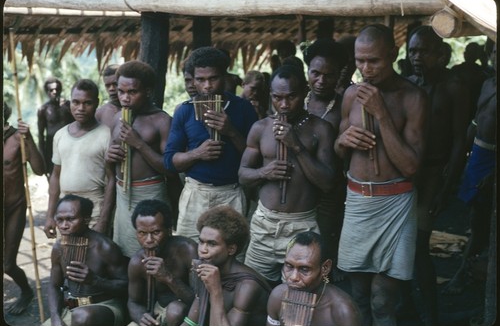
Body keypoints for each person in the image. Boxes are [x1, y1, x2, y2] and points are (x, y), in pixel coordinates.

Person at [333, 24, 427, 326]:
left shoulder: (413, 97)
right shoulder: (350, 95)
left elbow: (411, 167)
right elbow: (338, 150)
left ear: (393, 54)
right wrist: (342, 141)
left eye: (374, 61)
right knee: (358, 294)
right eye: (360, 61)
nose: (365, 69)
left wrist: (382, 113)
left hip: (396, 205)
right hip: (358, 201)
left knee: (383, 300)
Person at [239, 64, 336, 287]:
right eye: (277, 97)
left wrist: (296, 145)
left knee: (298, 294)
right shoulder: (260, 128)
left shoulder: (320, 129)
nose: (283, 104)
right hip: (264, 224)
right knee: (252, 290)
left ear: (304, 92)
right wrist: (264, 172)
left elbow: (328, 183)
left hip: (301, 226)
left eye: (291, 97)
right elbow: (243, 175)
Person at [406, 25, 470, 326]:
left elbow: (460, 139)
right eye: (413, 51)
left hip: (433, 173)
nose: (418, 57)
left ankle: (431, 316)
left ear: (441, 55)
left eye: (425, 52)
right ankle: (408, 306)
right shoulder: (408, 84)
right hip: (407, 175)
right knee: (403, 245)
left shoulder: (452, 86)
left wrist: (447, 184)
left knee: (418, 245)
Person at [164, 47, 258, 242]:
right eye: (200, 80)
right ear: (193, 80)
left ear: (225, 77)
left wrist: (231, 131)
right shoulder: (185, 110)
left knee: (231, 253)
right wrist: (197, 154)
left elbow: (256, 160)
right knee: (189, 251)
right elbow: (169, 162)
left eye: (213, 78)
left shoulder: (243, 109)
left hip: (231, 193)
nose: (207, 86)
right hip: (195, 193)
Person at [106, 60, 181, 259]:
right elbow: (110, 165)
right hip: (122, 195)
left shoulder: (162, 120)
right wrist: (109, 157)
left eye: (132, 92)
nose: (125, 98)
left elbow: (170, 168)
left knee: (153, 252)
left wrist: (138, 143)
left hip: (151, 193)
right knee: (126, 253)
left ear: (147, 91)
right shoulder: (117, 118)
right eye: (121, 91)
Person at [443, 45, 496, 296]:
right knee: (476, 218)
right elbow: (475, 123)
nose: (496, 56)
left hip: (492, 159)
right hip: (477, 155)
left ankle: (465, 273)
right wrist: (460, 158)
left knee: (483, 221)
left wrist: (494, 172)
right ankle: (470, 270)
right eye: (495, 51)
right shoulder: (488, 84)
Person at [302, 38, 349, 282]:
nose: (321, 81)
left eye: (328, 75)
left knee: (322, 249)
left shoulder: (344, 106)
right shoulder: (295, 99)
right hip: (298, 188)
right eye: (315, 73)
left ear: (339, 74)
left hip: (329, 192)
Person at [43, 194, 128, 326]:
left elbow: (126, 287)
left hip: (106, 306)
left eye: (71, 219)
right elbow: (54, 285)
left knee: (82, 317)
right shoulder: (59, 247)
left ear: (86, 219)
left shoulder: (105, 247)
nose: (64, 225)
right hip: (72, 310)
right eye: (59, 220)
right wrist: (55, 317)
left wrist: (95, 281)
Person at [44, 79, 115, 238]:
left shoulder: (107, 135)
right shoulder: (60, 135)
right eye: (76, 102)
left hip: (94, 208)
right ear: (70, 102)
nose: (80, 108)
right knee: (66, 256)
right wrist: (50, 215)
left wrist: (103, 220)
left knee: (94, 258)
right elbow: (56, 176)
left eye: (87, 103)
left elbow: (112, 180)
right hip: (66, 209)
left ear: (96, 103)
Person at [181, 205, 271, 326]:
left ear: (231, 249)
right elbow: (191, 323)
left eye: (212, 244)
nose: (202, 250)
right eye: (201, 242)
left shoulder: (247, 286)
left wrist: (215, 290)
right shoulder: (207, 268)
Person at [266, 231, 362, 326]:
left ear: (325, 268)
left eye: (304, 269)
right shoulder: (278, 296)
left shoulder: (343, 311)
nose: (293, 277)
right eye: (289, 266)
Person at [127, 199, 198, 326]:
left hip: (189, 314)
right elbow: (133, 302)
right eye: (142, 233)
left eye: (156, 232)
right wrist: (141, 318)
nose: (148, 240)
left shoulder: (188, 250)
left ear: (169, 230)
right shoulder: (137, 262)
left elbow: (200, 301)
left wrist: (168, 277)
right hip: (158, 312)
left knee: (175, 310)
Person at [3, 102, 46, 315]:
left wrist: (29, 138)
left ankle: (27, 292)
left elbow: (39, 170)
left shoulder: (17, 138)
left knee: (7, 264)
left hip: (14, 208)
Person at [37, 77, 73, 178]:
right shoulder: (43, 110)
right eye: (51, 90)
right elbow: (40, 135)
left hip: (69, 146)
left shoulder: (68, 105)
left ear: (60, 90)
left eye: (57, 89)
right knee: (54, 177)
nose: (54, 92)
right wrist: (42, 158)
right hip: (51, 148)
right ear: (47, 92)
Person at [451, 42, 488, 118]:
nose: (469, 55)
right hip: (458, 105)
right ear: (464, 53)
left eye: (473, 52)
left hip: (474, 106)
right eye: (469, 52)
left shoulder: (481, 73)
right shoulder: (456, 70)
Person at [95, 64, 121, 128]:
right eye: (108, 85)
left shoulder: (136, 110)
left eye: (115, 84)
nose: (111, 88)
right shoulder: (100, 113)